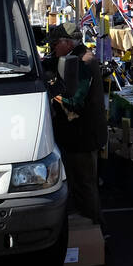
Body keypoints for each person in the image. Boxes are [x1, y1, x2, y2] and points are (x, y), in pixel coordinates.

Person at [42, 25, 106, 223]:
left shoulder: (81, 62)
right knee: (80, 183)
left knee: (84, 185)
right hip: (77, 134)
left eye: (55, 44)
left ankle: (96, 231)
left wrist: (53, 93)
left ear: (67, 42)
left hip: (82, 135)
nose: (52, 49)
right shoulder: (73, 57)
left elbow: (75, 100)